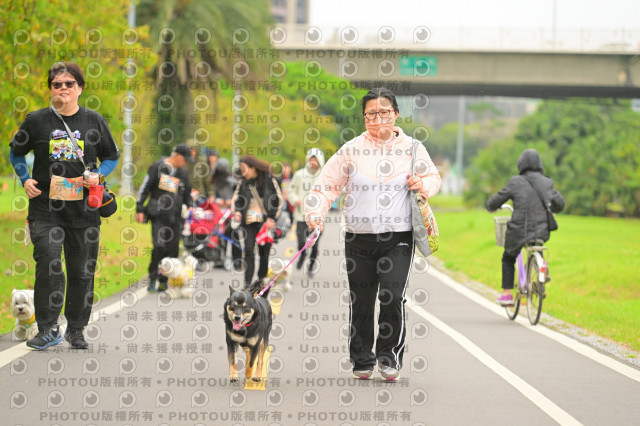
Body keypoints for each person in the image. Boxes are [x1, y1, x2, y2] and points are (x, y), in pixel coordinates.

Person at [305, 87, 441, 381]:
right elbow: (327, 184)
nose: (378, 119)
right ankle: (362, 358)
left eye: (384, 112)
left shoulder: (414, 148)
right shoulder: (351, 150)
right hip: (358, 237)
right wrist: (315, 213)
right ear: (364, 117)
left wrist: (423, 184)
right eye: (371, 114)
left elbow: (433, 176)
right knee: (362, 299)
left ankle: (389, 355)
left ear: (395, 114)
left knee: (392, 295)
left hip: (399, 237)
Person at [9, 61, 120, 350]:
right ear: (51, 89)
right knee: (48, 263)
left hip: (83, 210)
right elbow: (16, 153)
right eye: (57, 84)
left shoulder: (94, 121)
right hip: (45, 207)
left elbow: (111, 156)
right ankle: (47, 328)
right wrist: (24, 179)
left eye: (69, 84)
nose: (63, 89)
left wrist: (100, 174)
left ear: (79, 88)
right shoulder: (36, 121)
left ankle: (77, 328)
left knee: (81, 271)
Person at [486, 148, 565, 305]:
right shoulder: (547, 182)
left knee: (508, 257)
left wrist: (491, 206)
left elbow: (497, 199)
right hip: (541, 231)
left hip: (518, 230)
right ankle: (541, 267)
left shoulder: (515, 181)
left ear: (521, 164)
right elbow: (560, 204)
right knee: (536, 246)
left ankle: (507, 294)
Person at [136, 144, 193, 292]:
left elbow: (187, 193)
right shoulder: (158, 167)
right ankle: (153, 278)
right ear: (177, 155)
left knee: (172, 249)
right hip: (158, 215)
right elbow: (145, 187)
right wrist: (140, 208)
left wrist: (190, 206)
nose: (185, 163)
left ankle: (164, 280)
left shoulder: (183, 173)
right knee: (159, 246)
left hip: (175, 216)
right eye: (184, 159)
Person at [231, 155, 284, 288]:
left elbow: (279, 199)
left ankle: (262, 281)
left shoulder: (269, 179)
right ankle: (248, 282)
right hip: (248, 221)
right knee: (248, 250)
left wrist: (273, 218)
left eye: (244, 170)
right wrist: (237, 211)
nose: (242, 173)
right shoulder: (243, 182)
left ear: (252, 168)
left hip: (266, 222)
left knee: (264, 251)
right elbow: (236, 199)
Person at [287, 148, 325, 277]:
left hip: (318, 217)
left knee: (314, 246)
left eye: (316, 160)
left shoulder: (325, 176)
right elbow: (290, 191)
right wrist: (295, 200)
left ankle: (310, 267)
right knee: (301, 242)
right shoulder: (299, 175)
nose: (313, 163)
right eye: (311, 160)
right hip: (301, 216)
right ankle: (302, 255)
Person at [185, 139, 213, 205]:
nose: (192, 152)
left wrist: (211, 194)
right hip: (185, 195)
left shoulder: (202, 162)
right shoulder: (182, 162)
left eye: (194, 150)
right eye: (190, 150)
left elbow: (208, 179)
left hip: (200, 196)